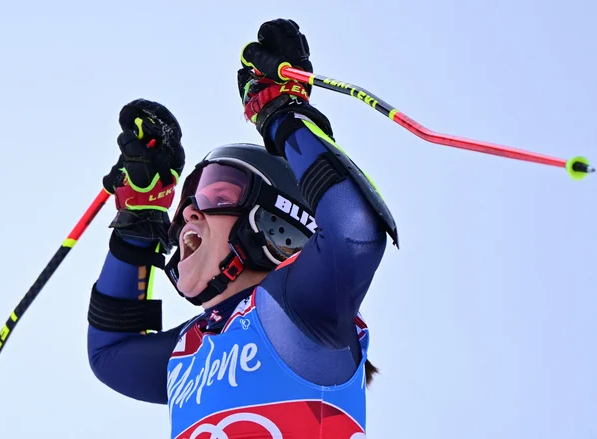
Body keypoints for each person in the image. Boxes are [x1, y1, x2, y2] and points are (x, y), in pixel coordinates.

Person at [87, 18, 399, 438]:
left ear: (277, 225)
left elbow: (353, 230)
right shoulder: (190, 347)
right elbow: (110, 353)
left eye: (217, 194)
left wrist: (282, 115)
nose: (189, 215)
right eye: (184, 207)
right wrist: (139, 222)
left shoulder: (300, 309)